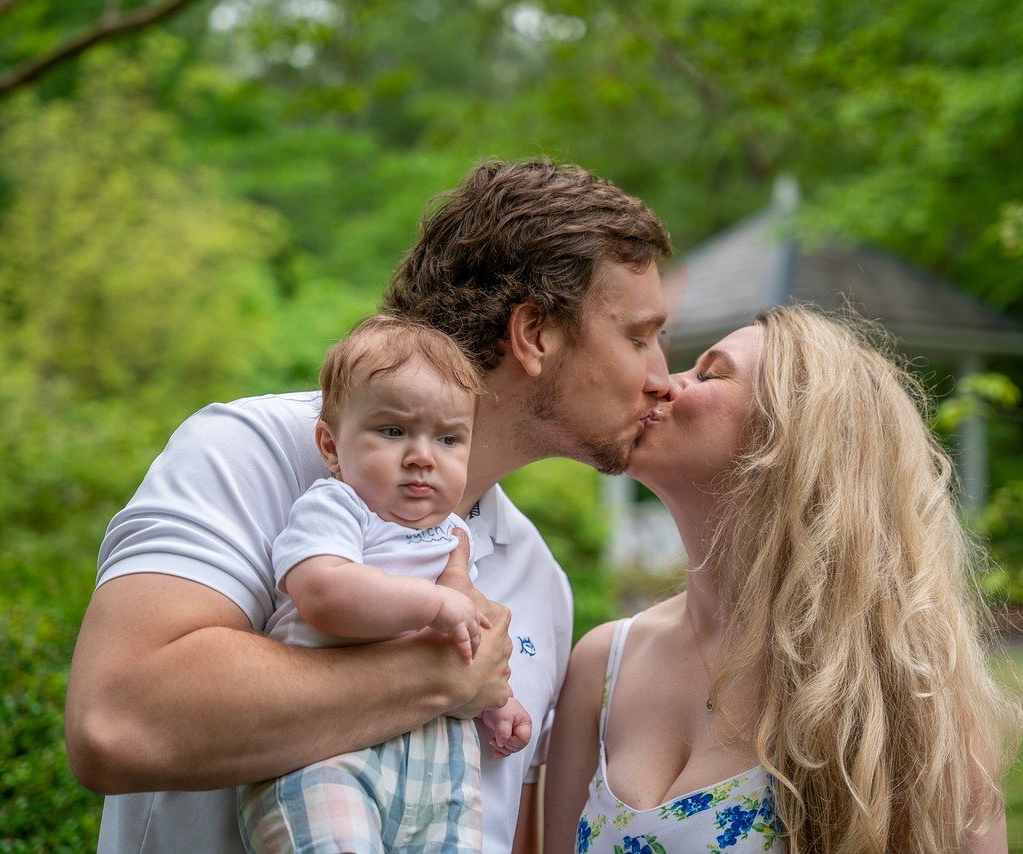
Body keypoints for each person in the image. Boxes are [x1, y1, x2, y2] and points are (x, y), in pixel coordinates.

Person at [65, 158, 675, 854]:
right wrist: (437, 675)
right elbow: (114, 722)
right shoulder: (245, 452)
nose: (662, 377)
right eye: (638, 337)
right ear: (535, 334)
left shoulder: (542, 581)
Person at [543, 306, 1023, 854]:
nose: (660, 383)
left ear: (791, 438)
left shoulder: (899, 685)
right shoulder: (602, 663)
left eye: (708, 373)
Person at [238, 314, 531, 852]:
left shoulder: (452, 535)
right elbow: (323, 592)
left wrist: (498, 698)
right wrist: (434, 604)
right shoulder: (338, 507)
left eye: (448, 438)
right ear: (330, 447)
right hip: (329, 755)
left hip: (440, 772)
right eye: (394, 431)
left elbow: (471, 642)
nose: (422, 456)